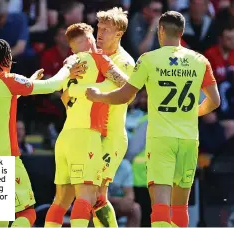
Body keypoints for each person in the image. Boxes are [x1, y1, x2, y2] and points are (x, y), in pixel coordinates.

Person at [86, 11, 221, 227]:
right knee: (180, 209)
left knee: (159, 208)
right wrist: (191, 113)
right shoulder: (200, 60)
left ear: (160, 30)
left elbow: (125, 96)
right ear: (182, 32)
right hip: (189, 140)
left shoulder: (149, 59)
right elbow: (214, 101)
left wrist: (97, 96)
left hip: (161, 140)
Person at [0, 38, 79, 228]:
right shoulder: (7, 80)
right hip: (4, 154)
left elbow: (1, 99)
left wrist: (29, 83)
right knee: (27, 213)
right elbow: (52, 85)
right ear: (4, 59)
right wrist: (68, 67)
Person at [44, 22, 132, 228]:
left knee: (61, 200)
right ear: (90, 39)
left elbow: (63, 97)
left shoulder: (68, 63)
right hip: (87, 135)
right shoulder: (98, 58)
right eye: (97, 33)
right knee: (87, 196)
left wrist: (73, 91)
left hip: (65, 136)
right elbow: (127, 85)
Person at [70, 7, 135, 227]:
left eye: (107, 30)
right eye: (99, 28)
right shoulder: (93, 56)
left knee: (96, 195)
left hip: (112, 137)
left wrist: (75, 90)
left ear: (119, 34)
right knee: (94, 196)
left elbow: (106, 89)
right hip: (92, 135)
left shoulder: (124, 61)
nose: (100, 33)